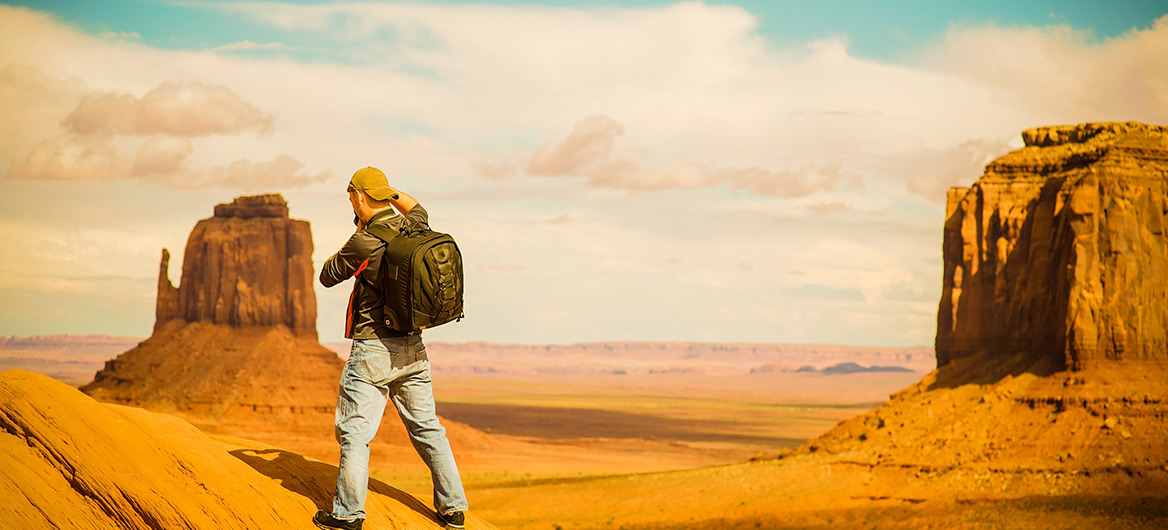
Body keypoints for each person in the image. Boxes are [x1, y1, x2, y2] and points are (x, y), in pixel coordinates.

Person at [314, 166, 468, 530]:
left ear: (358, 197)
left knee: (355, 434)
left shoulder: (365, 241)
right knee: (429, 429)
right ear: (385, 195)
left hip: (372, 350)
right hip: (413, 349)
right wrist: (388, 192)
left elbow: (328, 275)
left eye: (352, 197)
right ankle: (453, 509)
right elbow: (417, 207)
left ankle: (348, 514)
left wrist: (358, 232)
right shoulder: (412, 226)